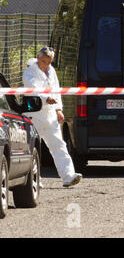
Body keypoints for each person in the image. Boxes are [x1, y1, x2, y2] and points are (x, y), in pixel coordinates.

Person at [23, 47, 82, 187]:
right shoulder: (29, 71)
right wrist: (45, 98)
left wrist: (59, 109)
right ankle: (34, 179)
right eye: (43, 61)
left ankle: (68, 176)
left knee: (59, 145)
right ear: (38, 58)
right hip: (34, 115)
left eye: (48, 62)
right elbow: (32, 89)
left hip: (50, 116)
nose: (46, 65)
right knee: (32, 149)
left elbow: (56, 89)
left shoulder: (51, 71)